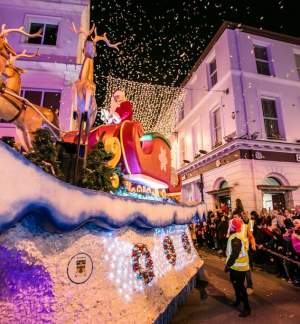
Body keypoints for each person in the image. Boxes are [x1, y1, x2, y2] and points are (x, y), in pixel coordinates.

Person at [225, 217, 251, 317]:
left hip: (238, 267)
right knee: (236, 285)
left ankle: (247, 308)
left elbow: (234, 254)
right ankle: (238, 300)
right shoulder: (239, 235)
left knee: (240, 288)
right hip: (238, 266)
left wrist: (228, 265)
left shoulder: (236, 238)